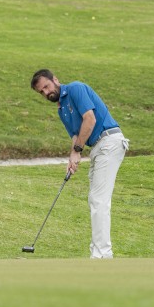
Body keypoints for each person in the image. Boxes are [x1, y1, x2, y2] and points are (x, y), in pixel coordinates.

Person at [30, 69, 129, 259]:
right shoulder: (61, 109)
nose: (45, 93)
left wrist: (77, 150)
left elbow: (89, 120)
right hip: (98, 148)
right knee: (95, 199)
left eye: (46, 86)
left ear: (55, 80)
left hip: (109, 141)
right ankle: (98, 251)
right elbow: (76, 134)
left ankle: (102, 254)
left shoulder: (75, 89)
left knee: (99, 199)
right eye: (41, 92)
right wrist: (72, 157)